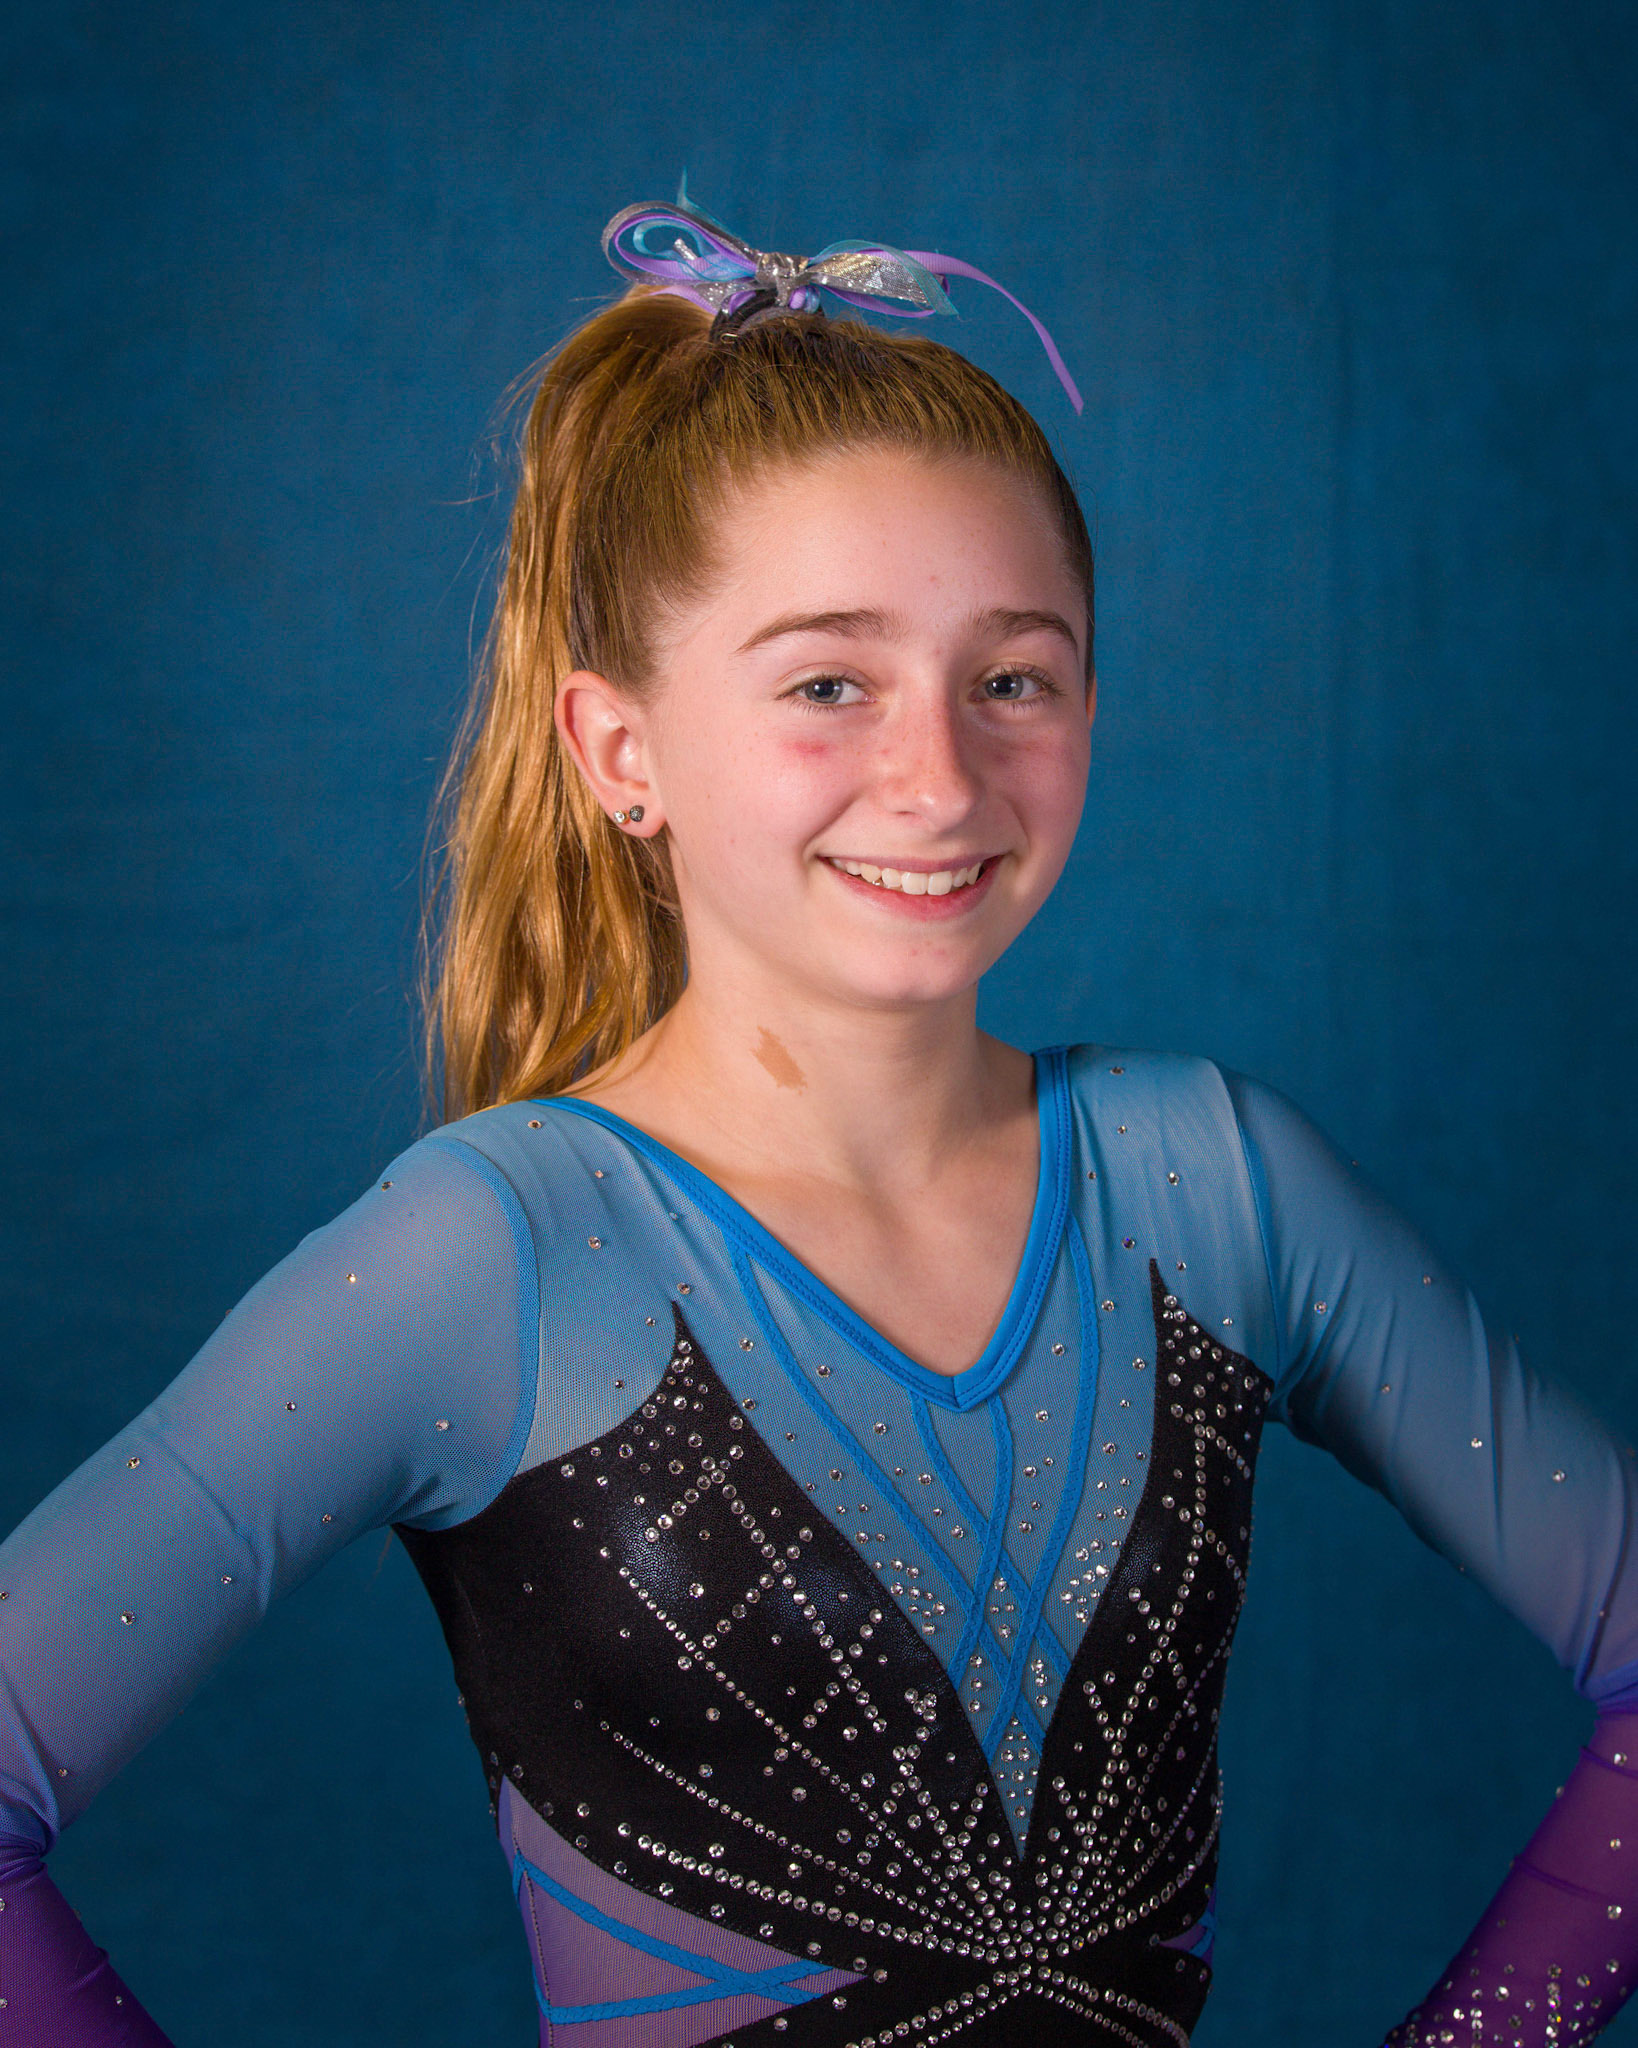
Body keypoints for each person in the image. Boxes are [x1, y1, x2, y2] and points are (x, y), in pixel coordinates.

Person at [2, 194, 1637, 2048]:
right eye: (827, 684)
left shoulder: (1213, 1185)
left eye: (1009, 679)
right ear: (620, 750)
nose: (936, 777)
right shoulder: (497, 1252)